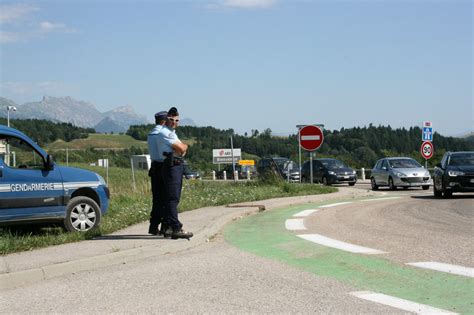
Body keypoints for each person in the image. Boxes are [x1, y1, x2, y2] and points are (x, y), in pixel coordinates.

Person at [157, 107, 193, 239]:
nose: (174, 122)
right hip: (172, 165)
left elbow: (182, 150)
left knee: (170, 198)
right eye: (171, 119)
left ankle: (167, 227)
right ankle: (176, 227)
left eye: (176, 120)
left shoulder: (172, 132)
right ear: (166, 119)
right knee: (173, 198)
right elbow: (181, 148)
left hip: (175, 165)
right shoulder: (166, 133)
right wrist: (183, 148)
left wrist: (183, 149)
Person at [147, 111, 168, 235]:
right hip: (164, 166)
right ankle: (166, 226)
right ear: (164, 121)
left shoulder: (151, 134)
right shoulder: (162, 134)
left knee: (157, 199)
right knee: (167, 198)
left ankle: (154, 226)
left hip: (154, 166)